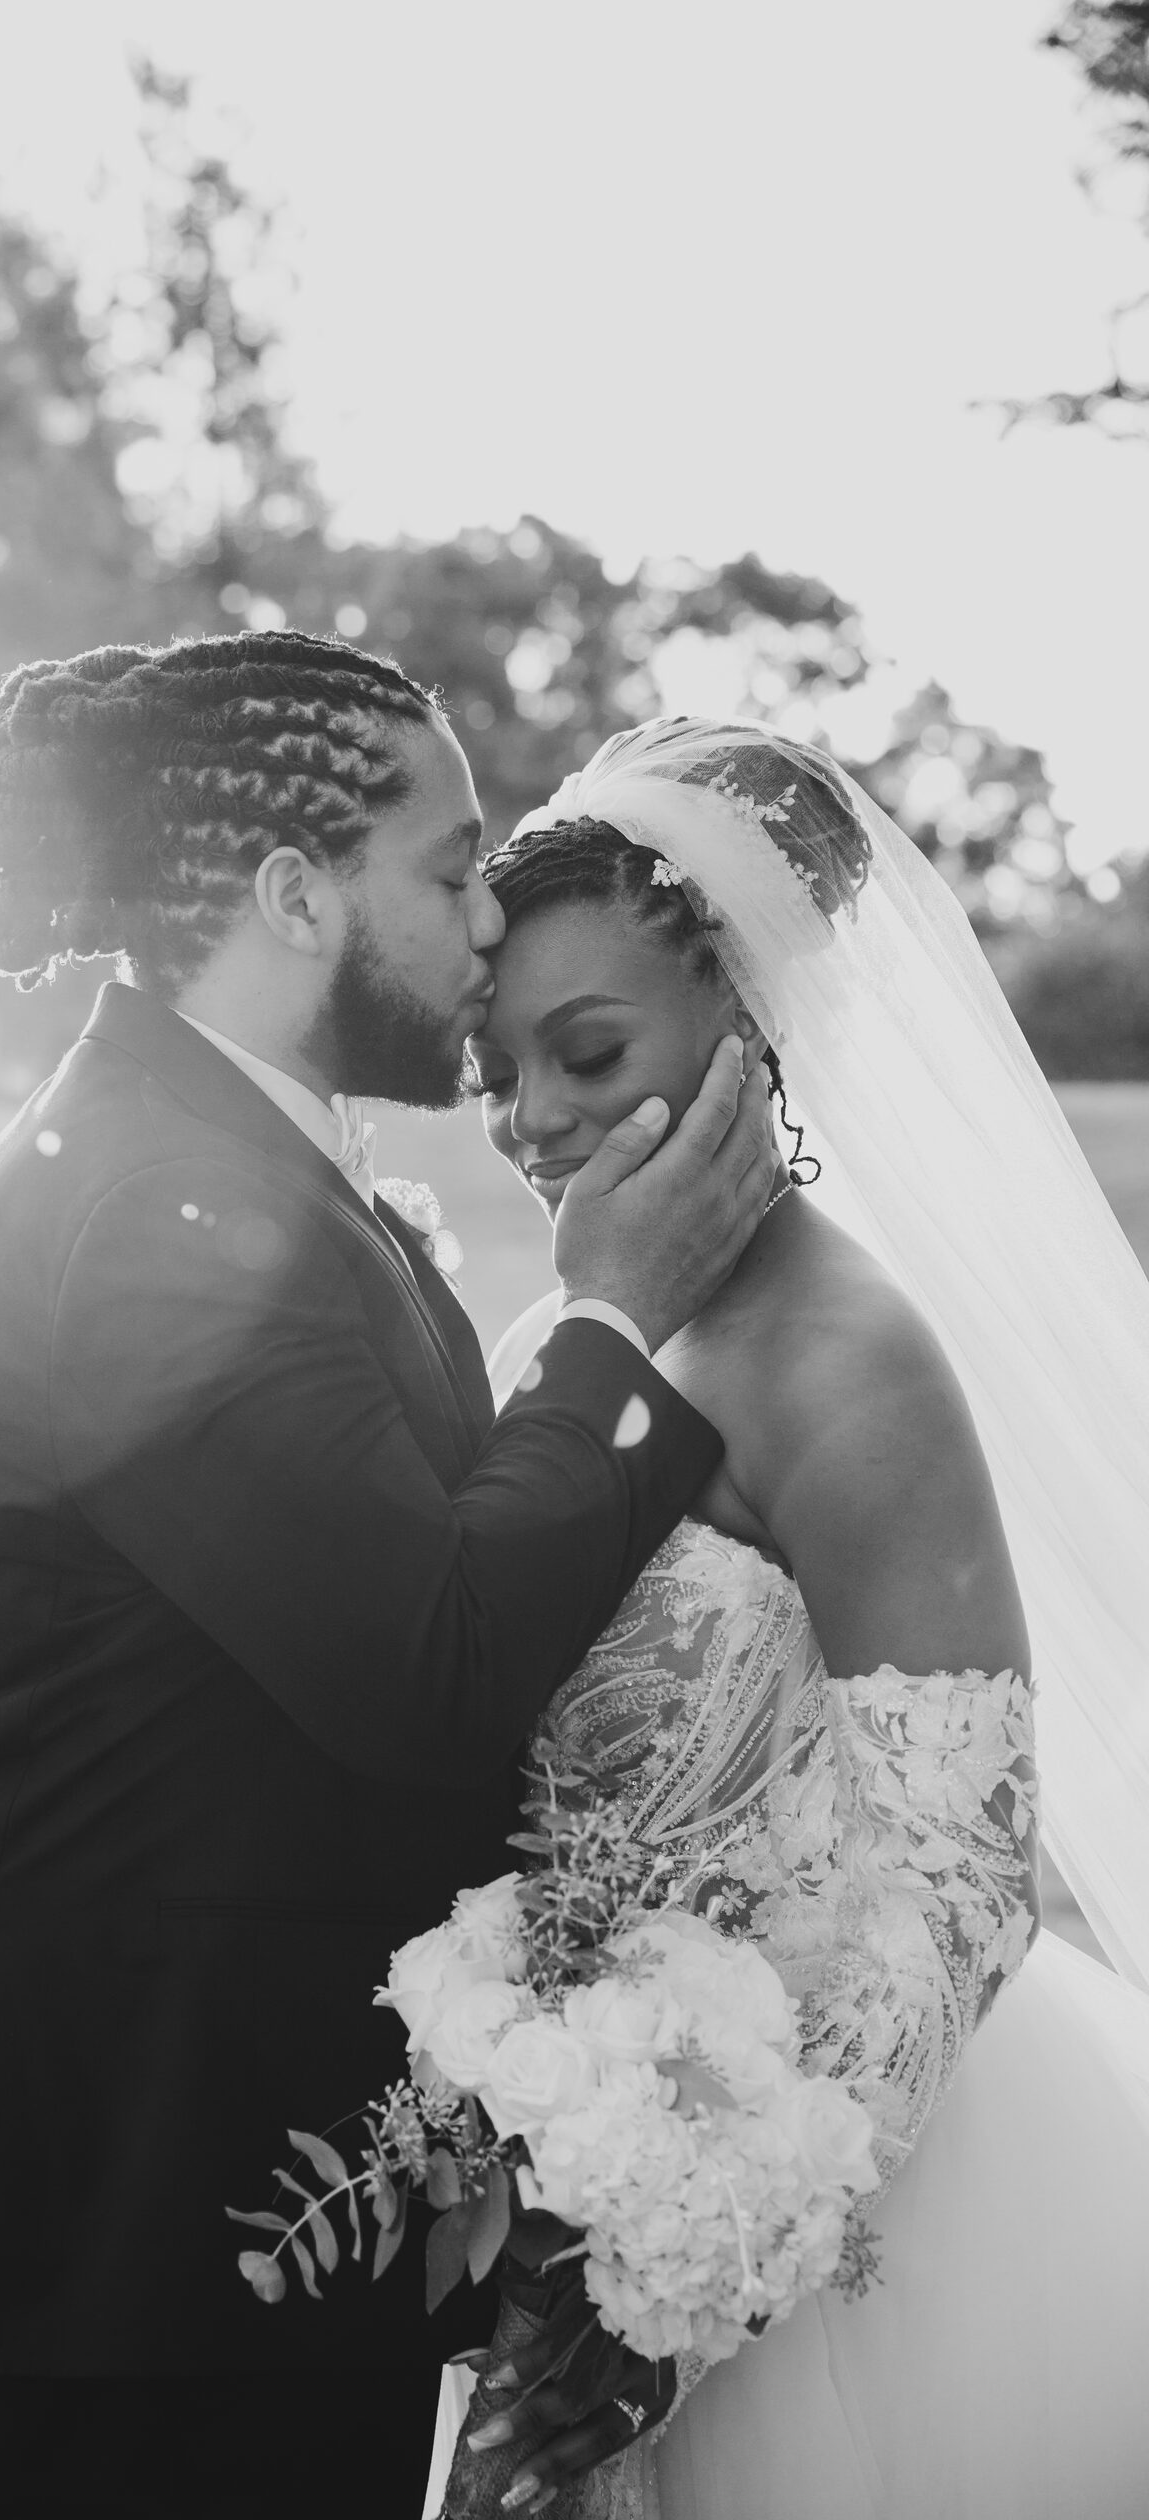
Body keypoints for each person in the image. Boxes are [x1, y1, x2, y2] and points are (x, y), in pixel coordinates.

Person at [0, 636, 778, 2519]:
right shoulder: (157, 1206)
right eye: (448, 871)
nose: (487, 918)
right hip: (149, 2199)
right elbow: (433, 1658)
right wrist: (618, 1317)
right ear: (295, 898)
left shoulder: (232, 1157)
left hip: (249, 2169)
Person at [434, 717, 1149, 2519]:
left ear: (755, 1021)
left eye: (589, 1051)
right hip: (553, 2160)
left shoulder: (849, 1362)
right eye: (496, 1067)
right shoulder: (562, 1343)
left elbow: (966, 1881)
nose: (532, 1118)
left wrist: (676, 2267)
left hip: (802, 2224)